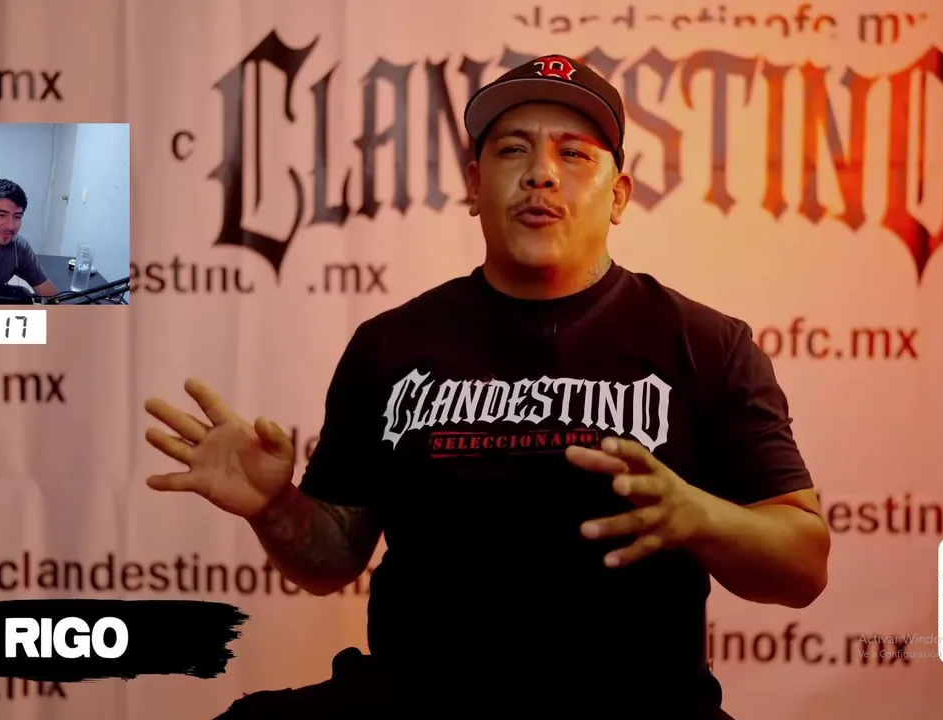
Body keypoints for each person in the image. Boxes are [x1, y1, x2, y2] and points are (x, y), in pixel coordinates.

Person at [144, 54, 830, 719]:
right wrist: (274, 507)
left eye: (573, 153)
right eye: (512, 150)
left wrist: (699, 515)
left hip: (638, 707)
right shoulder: (391, 345)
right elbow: (331, 559)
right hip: (416, 704)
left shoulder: (706, 344)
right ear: (475, 186)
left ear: (618, 196)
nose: (540, 174)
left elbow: (803, 564)